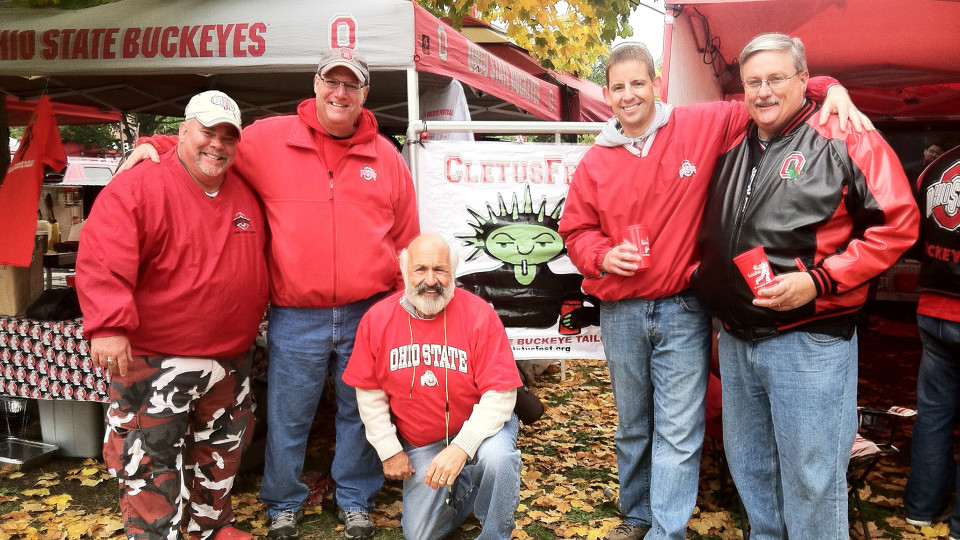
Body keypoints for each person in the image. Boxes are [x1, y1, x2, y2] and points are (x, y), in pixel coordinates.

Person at [557, 42, 867, 540]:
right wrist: (600, 255)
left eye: (639, 83)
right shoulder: (594, 161)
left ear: (657, 85)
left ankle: (666, 530)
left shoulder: (700, 124)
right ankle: (636, 515)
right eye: (618, 87)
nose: (629, 95)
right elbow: (575, 231)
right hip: (619, 310)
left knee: (679, 430)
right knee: (633, 425)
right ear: (608, 94)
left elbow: (768, 91)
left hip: (683, 307)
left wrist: (830, 88)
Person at [120, 48, 420, 540]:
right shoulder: (270, 137)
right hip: (297, 312)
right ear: (316, 84)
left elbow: (406, 237)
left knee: (362, 408)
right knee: (288, 412)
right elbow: (212, 143)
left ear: (365, 95)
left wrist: (398, 304)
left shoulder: (385, 155)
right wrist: (155, 142)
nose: (340, 93)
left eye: (352, 85)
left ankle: (355, 498)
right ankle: (283, 501)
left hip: (368, 309)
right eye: (332, 81)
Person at [691, 33, 920, 539]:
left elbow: (899, 223)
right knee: (751, 471)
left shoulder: (846, 134)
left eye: (776, 79)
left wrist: (818, 280)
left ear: (802, 82)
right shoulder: (734, 137)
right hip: (736, 339)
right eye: (754, 82)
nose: (764, 92)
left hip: (809, 342)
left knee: (812, 481)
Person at [76, 90, 269, 540]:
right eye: (206, 132)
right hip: (154, 359)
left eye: (227, 136)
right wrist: (107, 325)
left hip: (229, 360)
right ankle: (153, 534)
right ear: (183, 130)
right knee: (148, 459)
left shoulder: (243, 186)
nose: (217, 145)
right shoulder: (139, 185)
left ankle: (211, 528)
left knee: (221, 450)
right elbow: (102, 256)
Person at [343, 233, 523, 540]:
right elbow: (370, 393)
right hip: (423, 440)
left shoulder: (480, 314)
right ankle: (469, 484)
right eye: (421, 269)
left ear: (452, 273)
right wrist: (389, 450)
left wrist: (462, 447)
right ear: (405, 273)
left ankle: (495, 533)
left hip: (481, 430)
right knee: (419, 534)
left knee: (497, 459)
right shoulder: (377, 319)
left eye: (439, 270)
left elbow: (501, 394)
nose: (430, 280)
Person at [905, 144, 960, 539]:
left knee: (934, 414)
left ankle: (920, 510)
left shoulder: (937, 166)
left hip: (934, 308)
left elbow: (909, 231)